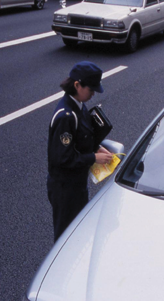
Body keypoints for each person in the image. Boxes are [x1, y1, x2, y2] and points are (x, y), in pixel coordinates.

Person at [47, 61, 113, 242]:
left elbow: (82, 139)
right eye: (90, 89)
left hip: (77, 184)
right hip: (65, 189)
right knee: (64, 238)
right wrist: (94, 157)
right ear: (76, 85)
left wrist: (95, 147)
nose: (93, 93)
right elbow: (62, 158)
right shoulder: (65, 117)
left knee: (78, 232)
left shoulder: (79, 106)